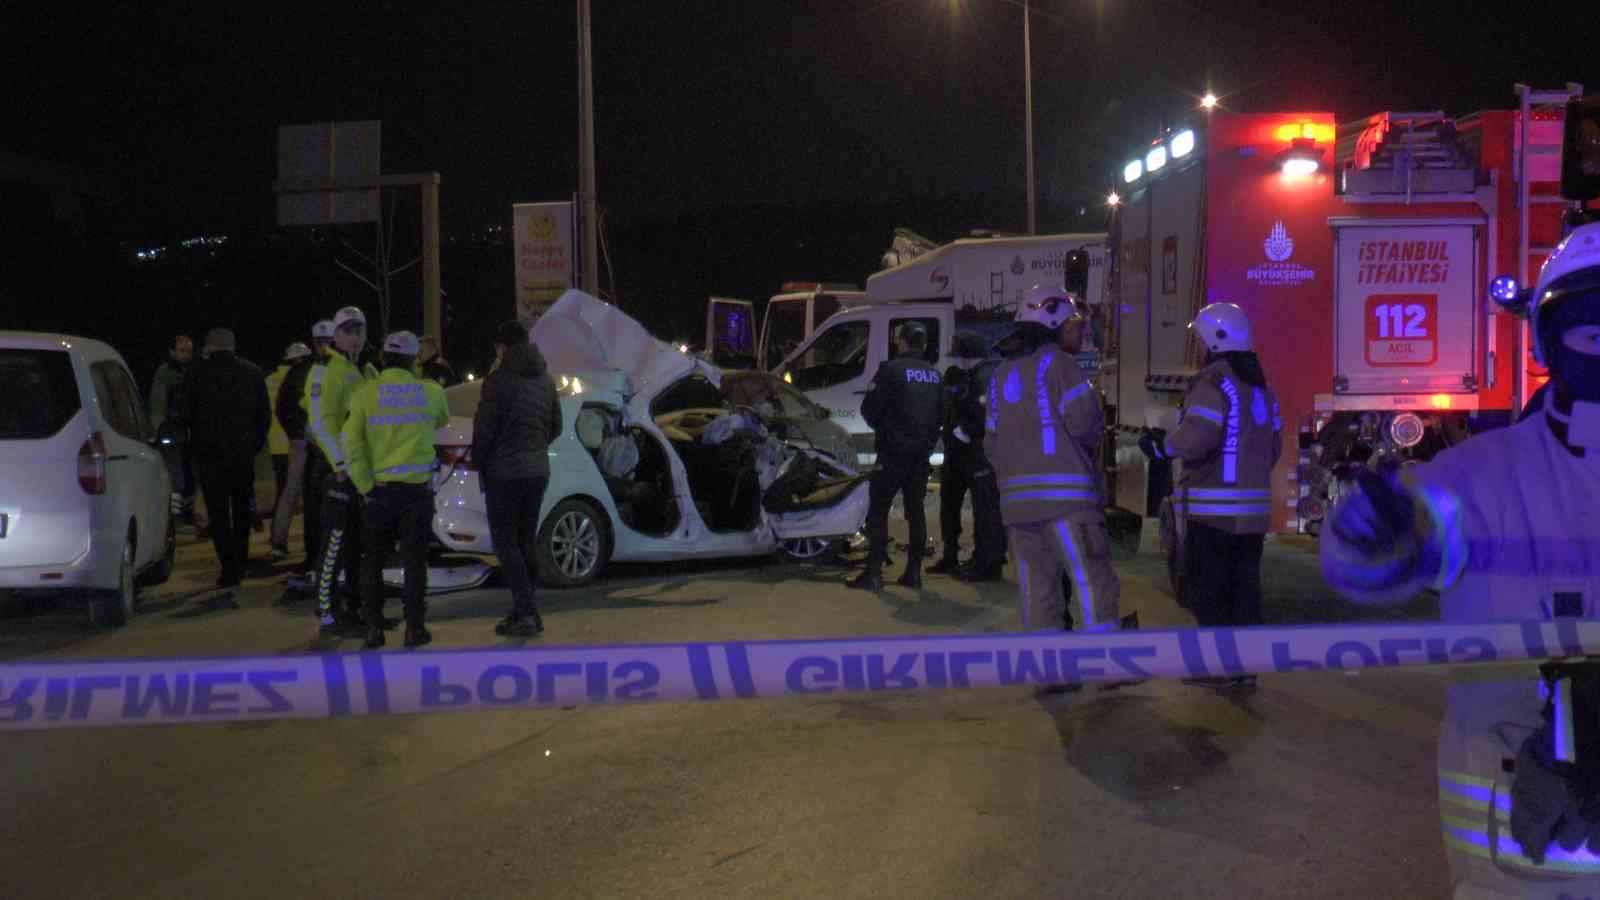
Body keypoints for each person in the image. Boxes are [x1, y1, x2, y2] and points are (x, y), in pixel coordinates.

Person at [1321, 221, 1600, 897]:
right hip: (1517, 831)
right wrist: (1380, 534)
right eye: (1592, 334)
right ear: (1545, 343)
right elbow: (1385, 555)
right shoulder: (1479, 477)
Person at [1140, 302, 1281, 690]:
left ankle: (1217, 669)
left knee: (1210, 590)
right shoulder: (1263, 389)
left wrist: (1162, 448)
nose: (1199, 348)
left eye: (1200, 340)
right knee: (1245, 590)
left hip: (1213, 512)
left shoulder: (1214, 384)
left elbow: (1198, 436)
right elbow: (1273, 448)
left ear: (1215, 342)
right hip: (1252, 514)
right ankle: (1244, 668)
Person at [985, 284, 1121, 642]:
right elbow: (1087, 426)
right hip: (1068, 506)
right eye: (1074, 325)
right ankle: (1105, 661)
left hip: (1018, 511)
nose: (1081, 332)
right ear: (1053, 324)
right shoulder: (1061, 365)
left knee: (1038, 592)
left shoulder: (1000, 377)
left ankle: (1050, 672)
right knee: (1092, 582)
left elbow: (991, 444)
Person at [343, 331, 450, 648]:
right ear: (414, 360)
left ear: (383, 358)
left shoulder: (364, 393)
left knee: (372, 562)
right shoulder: (430, 392)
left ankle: (373, 628)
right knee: (414, 563)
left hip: (379, 492)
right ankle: (415, 628)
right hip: (417, 494)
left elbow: (351, 444)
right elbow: (441, 422)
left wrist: (365, 486)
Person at [472, 321, 561, 637]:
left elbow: (484, 430)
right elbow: (556, 426)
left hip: (504, 474)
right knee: (526, 541)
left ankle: (526, 612)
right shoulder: (545, 380)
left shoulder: (498, 382)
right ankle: (523, 607)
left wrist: (477, 461)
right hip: (536, 472)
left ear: (502, 347)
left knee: (506, 542)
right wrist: (534, 449)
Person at [849, 321, 943, 592]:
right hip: (920, 456)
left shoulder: (890, 370)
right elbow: (941, 415)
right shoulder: (935, 376)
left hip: (892, 453)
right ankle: (914, 573)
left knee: (878, 511)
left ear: (901, 342)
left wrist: (885, 429)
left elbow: (870, 409)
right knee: (916, 512)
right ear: (923, 344)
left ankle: (874, 573)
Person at [302, 307, 377, 629]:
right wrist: (341, 465)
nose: (356, 336)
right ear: (335, 335)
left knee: (355, 545)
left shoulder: (362, 370)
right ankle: (328, 611)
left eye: (359, 329)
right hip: (337, 471)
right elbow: (320, 423)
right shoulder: (325, 371)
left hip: (359, 471)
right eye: (348, 330)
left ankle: (354, 607)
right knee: (333, 542)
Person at [181, 328, 271, 588]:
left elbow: (185, 414)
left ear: (210, 347)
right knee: (242, 510)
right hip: (242, 455)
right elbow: (264, 416)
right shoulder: (253, 373)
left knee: (218, 513)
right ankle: (240, 562)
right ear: (232, 346)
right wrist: (253, 445)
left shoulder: (196, 374)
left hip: (209, 456)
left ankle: (228, 567)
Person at [929, 331, 1007, 581]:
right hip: (959, 454)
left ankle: (988, 564)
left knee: (985, 511)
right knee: (950, 504)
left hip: (978, 454)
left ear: (966, 354)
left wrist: (966, 431)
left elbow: (987, 416)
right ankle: (952, 556)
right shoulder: (964, 376)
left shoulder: (984, 378)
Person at [284, 321, 336, 585]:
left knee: (327, 510)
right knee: (316, 510)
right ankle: (317, 560)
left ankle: (323, 562)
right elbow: (292, 407)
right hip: (320, 450)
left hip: (329, 451)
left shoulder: (334, 370)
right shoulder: (312, 372)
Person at [267, 342, 314, 560]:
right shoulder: (315, 374)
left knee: (289, 493)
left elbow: (280, 410)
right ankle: (313, 546)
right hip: (315, 442)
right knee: (314, 495)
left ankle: (278, 543)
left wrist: (294, 432)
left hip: (293, 442)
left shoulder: (285, 380)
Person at [149, 333, 198, 528]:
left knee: (191, 474)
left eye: (189, 351)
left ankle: (188, 513)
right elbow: (157, 403)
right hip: (171, 431)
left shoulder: (195, 371)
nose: (187, 354)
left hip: (192, 431)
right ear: (172, 352)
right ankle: (174, 517)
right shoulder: (165, 373)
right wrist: (158, 430)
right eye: (182, 350)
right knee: (175, 474)